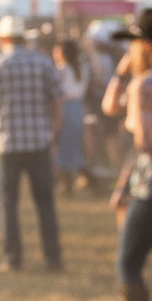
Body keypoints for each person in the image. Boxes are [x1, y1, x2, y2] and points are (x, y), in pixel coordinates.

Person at [0, 15, 64, 273]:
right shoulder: (44, 64)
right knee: (45, 203)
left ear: (3, 39)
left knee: (8, 204)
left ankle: (13, 258)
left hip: (6, 144)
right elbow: (57, 102)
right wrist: (53, 133)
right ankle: (52, 257)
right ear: (25, 38)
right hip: (39, 143)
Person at [100, 10, 152, 301]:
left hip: (149, 185)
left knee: (128, 263)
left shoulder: (143, 86)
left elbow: (144, 141)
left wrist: (123, 78)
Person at [52, 39, 89, 195]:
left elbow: (57, 93)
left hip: (64, 108)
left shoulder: (61, 70)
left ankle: (69, 186)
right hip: (78, 108)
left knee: (64, 148)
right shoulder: (83, 68)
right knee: (71, 147)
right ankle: (70, 184)